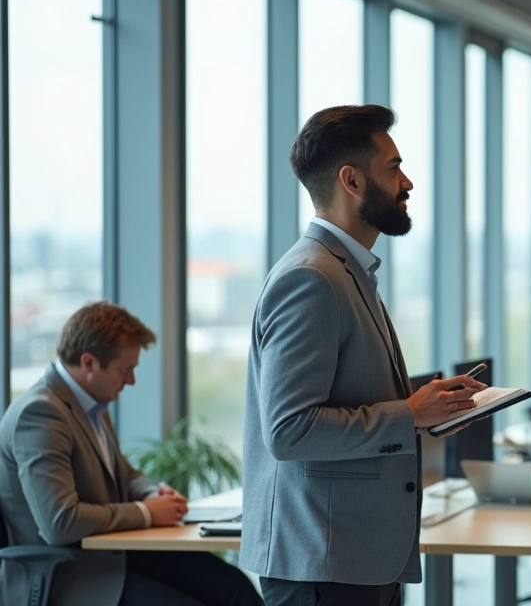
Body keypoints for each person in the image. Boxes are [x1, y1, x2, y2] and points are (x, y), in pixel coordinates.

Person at [241, 105, 486, 606]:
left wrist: (428, 412)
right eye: (393, 169)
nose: (407, 183)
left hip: (353, 555)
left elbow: (348, 398)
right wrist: (409, 414)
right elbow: (289, 431)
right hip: (323, 561)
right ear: (351, 181)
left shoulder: (347, 271)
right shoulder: (310, 278)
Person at [0, 302, 263, 606]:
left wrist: (153, 493)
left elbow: (122, 473)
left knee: (233, 589)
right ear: (88, 363)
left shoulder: (91, 402)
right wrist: (147, 513)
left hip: (113, 555)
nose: (131, 381)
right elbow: (60, 522)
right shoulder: (40, 414)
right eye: (124, 370)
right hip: (71, 575)